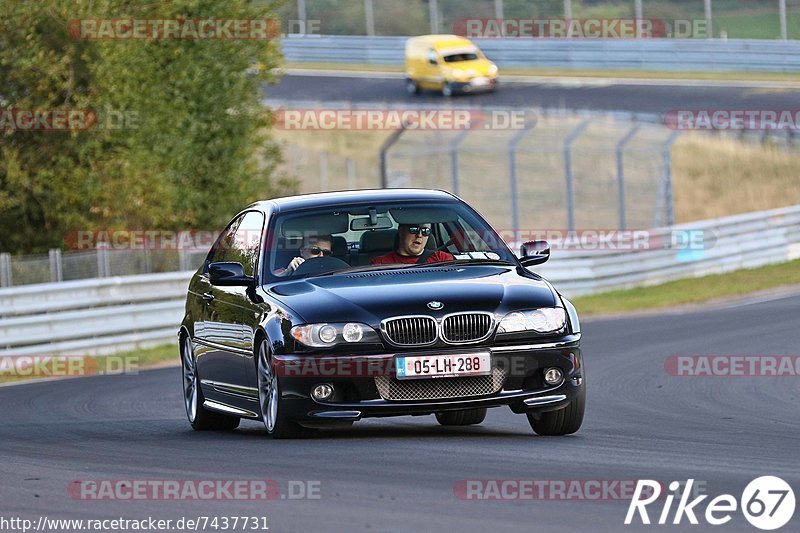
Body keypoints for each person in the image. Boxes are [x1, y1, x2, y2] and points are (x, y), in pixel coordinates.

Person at [371, 223, 454, 265]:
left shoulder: (442, 259)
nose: (419, 235)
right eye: (414, 229)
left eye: (426, 231)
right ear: (401, 231)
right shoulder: (380, 263)